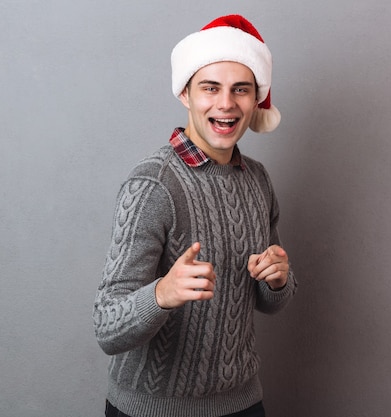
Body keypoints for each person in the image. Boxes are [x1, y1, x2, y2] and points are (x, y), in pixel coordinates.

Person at [93, 14, 297, 417]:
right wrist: (162, 295)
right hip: (152, 409)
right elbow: (106, 326)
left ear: (255, 100)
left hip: (242, 403)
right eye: (210, 88)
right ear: (186, 94)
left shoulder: (257, 179)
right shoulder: (153, 184)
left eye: (241, 89)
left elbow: (271, 303)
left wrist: (278, 279)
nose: (226, 103)